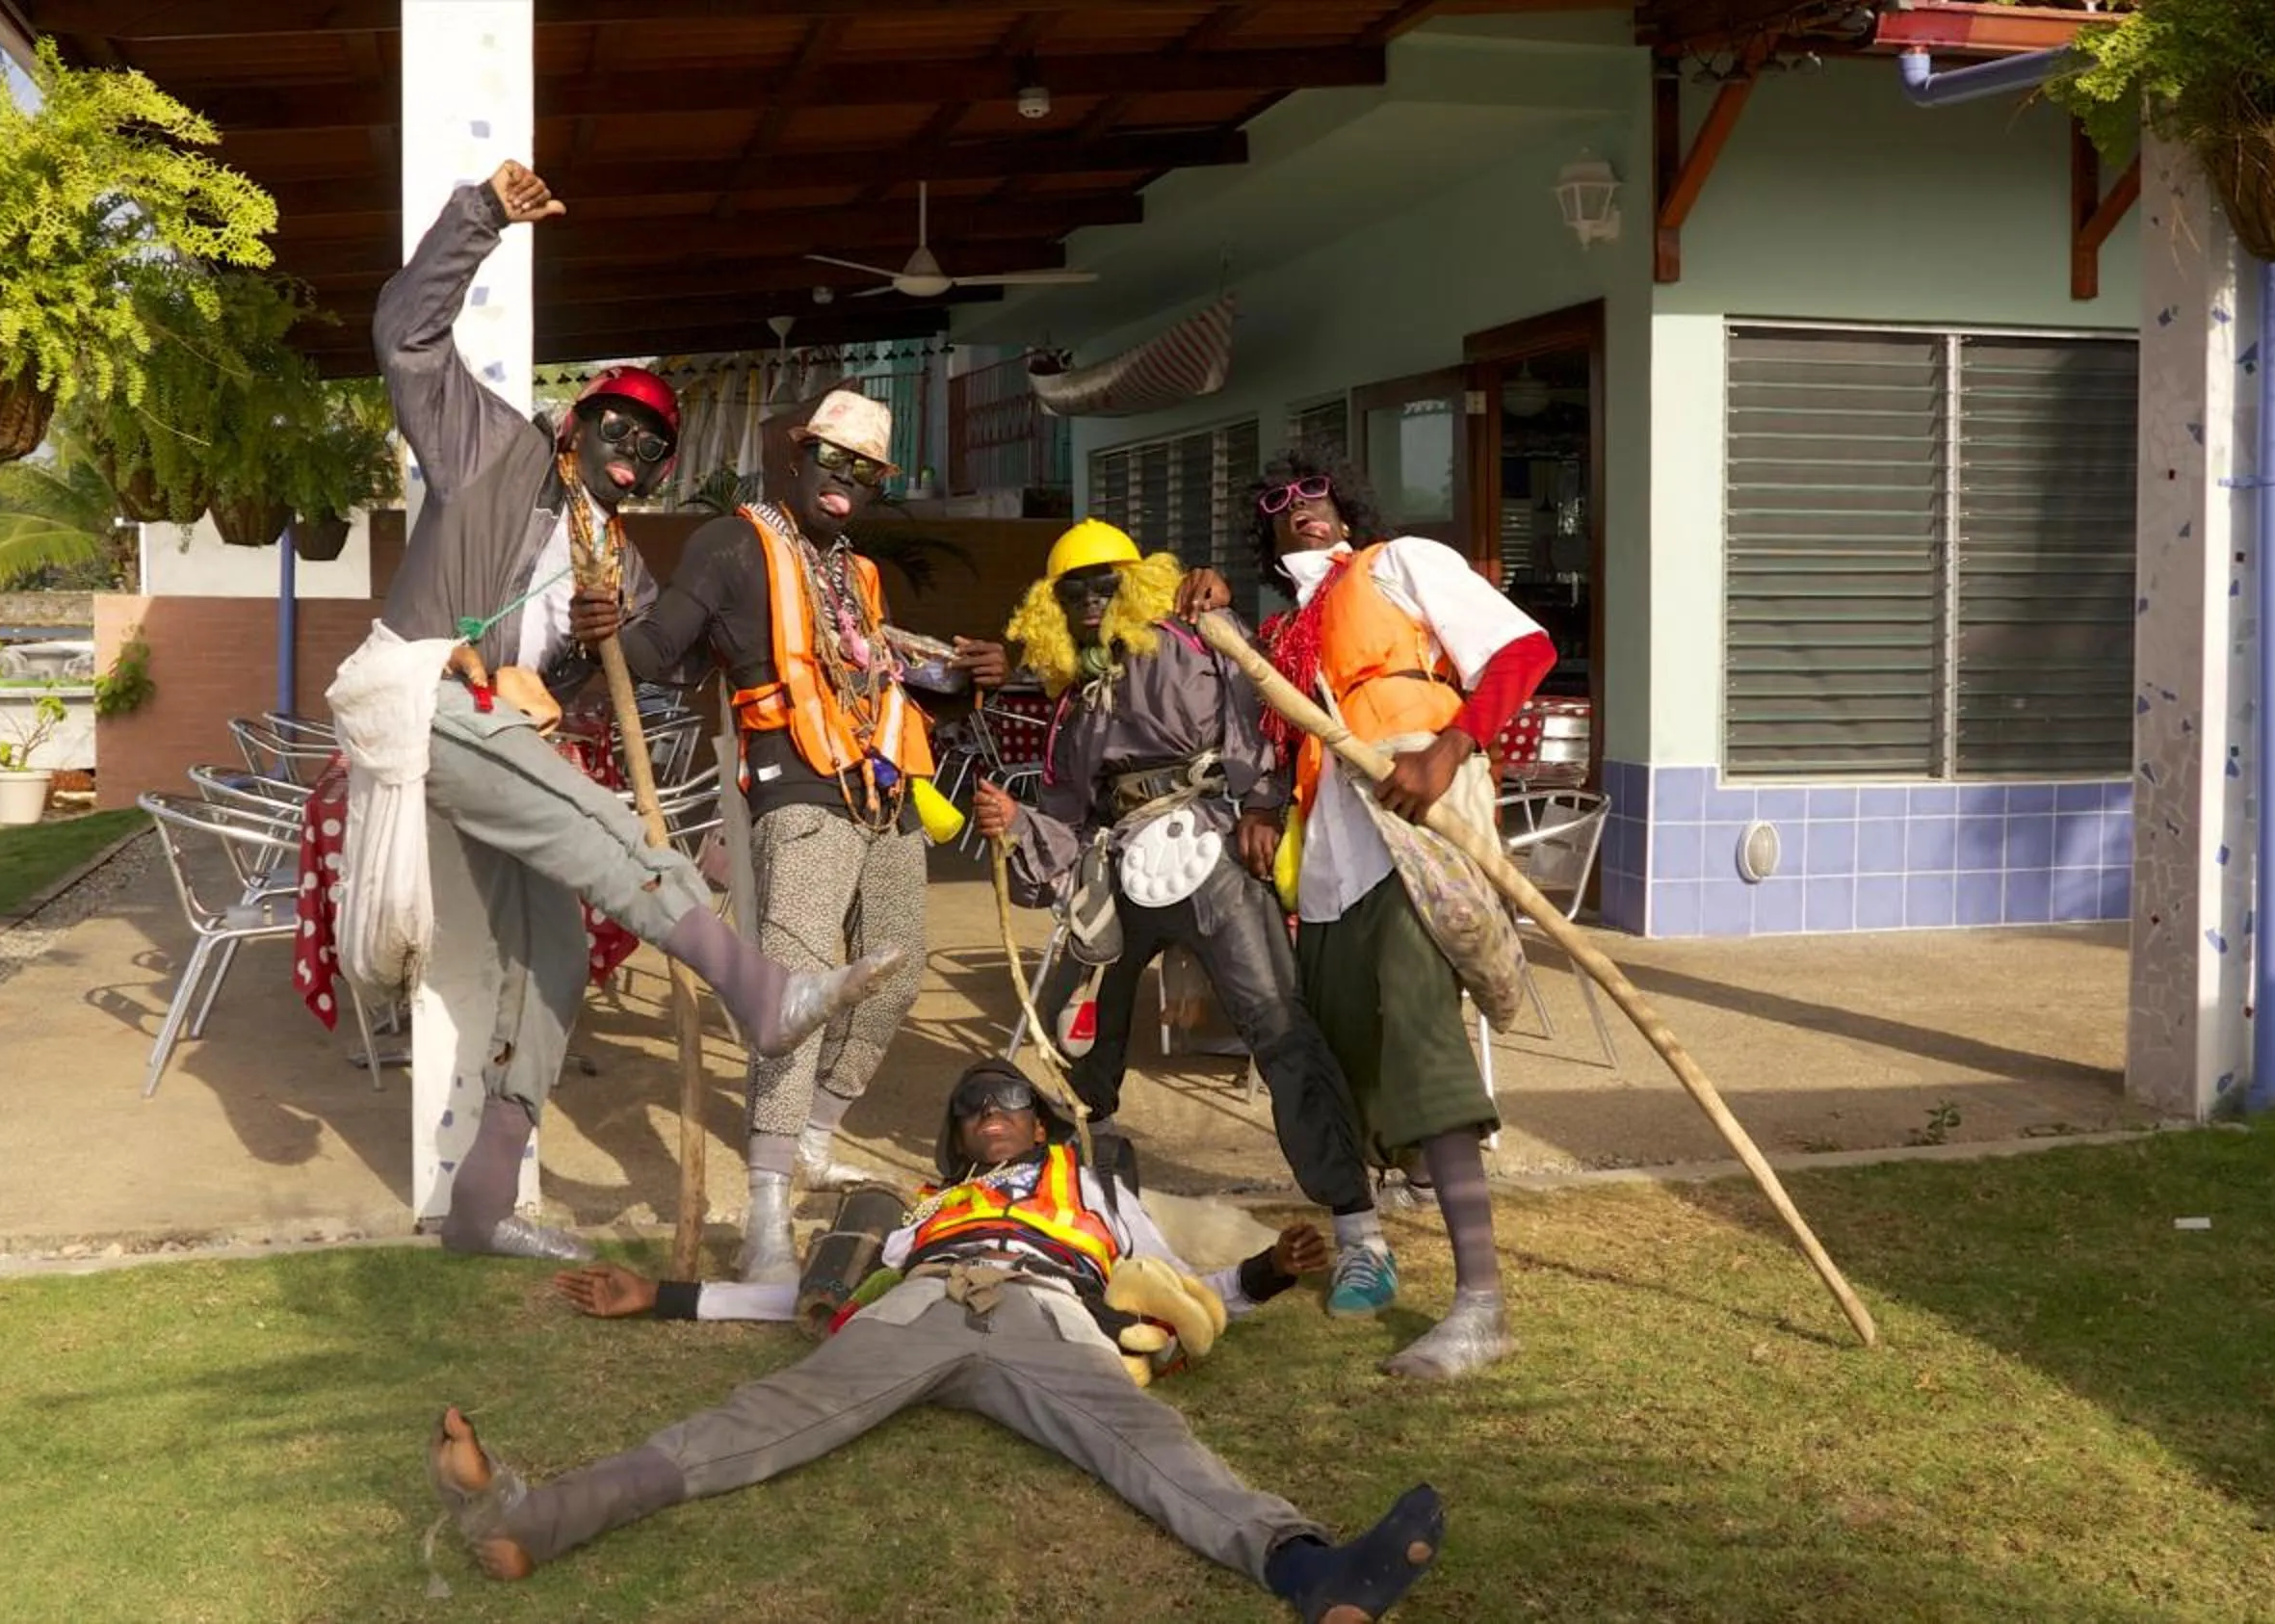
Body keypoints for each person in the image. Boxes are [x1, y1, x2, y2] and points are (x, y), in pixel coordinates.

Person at [351, 159, 906, 1263]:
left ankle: (480, 1208)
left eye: (655, 445)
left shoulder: (627, 569)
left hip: (495, 745)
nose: (635, 449)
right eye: (619, 424)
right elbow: (405, 338)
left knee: (553, 955)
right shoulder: (494, 454)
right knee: (612, 831)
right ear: (577, 423)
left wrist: (593, 663)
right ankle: (760, 994)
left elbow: (647, 670)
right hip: (425, 702)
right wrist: (479, 219)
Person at [424, 1059, 1450, 1624]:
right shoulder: (921, 1207)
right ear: (958, 1139)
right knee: (760, 1422)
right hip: (918, 1305)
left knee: (1148, 1446)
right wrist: (668, 1297)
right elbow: (817, 1299)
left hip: (1049, 1312)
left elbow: (1187, 1293)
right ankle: (532, 1518)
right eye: (969, 1112)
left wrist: (1268, 1273)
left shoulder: (1094, 1190)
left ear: (1040, 1121)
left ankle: (1311, 1573)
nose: (986, 1116)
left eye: (1005, 1102)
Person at [590, 388, 1008, 1280]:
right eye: (834, 462)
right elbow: (661, 647)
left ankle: (814, 1139)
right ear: (795, 457)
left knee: (895, 976)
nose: (845, 483)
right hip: (798, 794)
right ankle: (768, 1208)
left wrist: (972, 675)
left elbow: (883, 673)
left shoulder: (856, 574)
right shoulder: (731, 545)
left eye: (865, 472)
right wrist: (602, 639)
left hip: (885, 793)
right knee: (798, 996)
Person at [1175, 451, 1556, 1378]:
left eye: (1314, 494)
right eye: (1277, 503)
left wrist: (1449, 747)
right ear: (1266, 533)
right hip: (1334, 866)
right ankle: (1368, 1243)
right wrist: (1262, 803)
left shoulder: (1400, 564)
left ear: (1343, 507)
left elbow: (1524, 650)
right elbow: (1259, 729)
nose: (1299, 508)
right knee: (1341, 1051)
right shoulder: (1279, 632)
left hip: (1417, 840)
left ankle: (1480, 1305)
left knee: (1421, 1032)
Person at [967, 519, 1379, 1301]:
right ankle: (1069, 1210)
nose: (1091, 602)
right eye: (1073, 591)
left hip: (1213, 851)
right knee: (1070, 1039)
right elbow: (1067, 821)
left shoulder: (1192, 643)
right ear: (1051, 606)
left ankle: (1359, 1229)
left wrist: (1261, 806)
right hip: (1118, 870)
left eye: (1106, 585)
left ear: (1139, 584)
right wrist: (1016, 826)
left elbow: (1255, 720)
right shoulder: (1072, 705)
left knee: (1275, 1023)